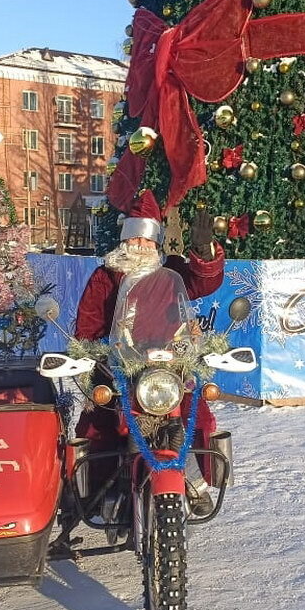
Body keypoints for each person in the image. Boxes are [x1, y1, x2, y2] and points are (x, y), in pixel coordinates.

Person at [71, 190, 224, 519]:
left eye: (148, 242)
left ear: (157, 245)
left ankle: (194, 480)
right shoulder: (107, 276)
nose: (141, 248)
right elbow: (88, 323)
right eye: (135, 241)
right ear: (125, 242)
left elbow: (202, 283)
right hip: (120, 364)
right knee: (101, 420)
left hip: (168, 364)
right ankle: (101, 488)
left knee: (192, 410)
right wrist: (93, 356)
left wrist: (203, 252)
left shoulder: (171, 272)